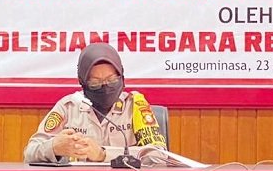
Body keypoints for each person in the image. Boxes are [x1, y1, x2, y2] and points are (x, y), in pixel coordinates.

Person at [24, 42, 166, 164]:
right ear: (83, 82)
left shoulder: (134, 106)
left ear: (122, 76)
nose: (105, 87)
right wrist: (54, 148)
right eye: (95, 83)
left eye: (112, 80)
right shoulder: (68, 107)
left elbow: (159, 155)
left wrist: (103, 154)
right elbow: (29, 153)